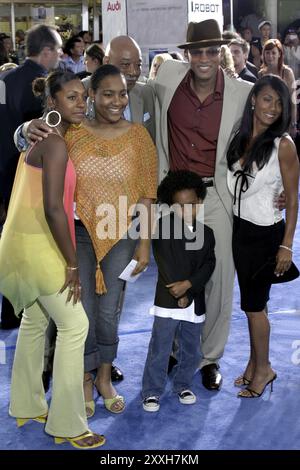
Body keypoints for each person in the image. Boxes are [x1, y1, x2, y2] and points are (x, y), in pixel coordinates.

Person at [0, 70, 104, 448]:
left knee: (34, 319)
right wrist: (73, 264)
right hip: (38, 246)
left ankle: (26, 404)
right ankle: (68, 425)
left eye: (83, 97)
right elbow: (54, 209)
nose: (82, 103)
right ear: (53, 102)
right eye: (72, 98)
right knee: (75, 325)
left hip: (21, 243)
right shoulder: (54, 142)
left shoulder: (44, 137)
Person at [152, 19, 253, 391]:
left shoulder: (242, 93)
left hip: (215, 197)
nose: (204, 58)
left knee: (219, 277)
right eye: (197, 51)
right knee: (172, 276)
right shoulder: (166, 77)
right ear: (187, 54)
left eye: (212, 50)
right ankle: (179, 350)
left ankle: (209, 358)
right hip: (172, 196)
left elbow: (268, 134)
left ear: (220, 53)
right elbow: (119, 90)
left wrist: (279, 184)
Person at [63, 64, 157, 416]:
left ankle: (104, 376)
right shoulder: (72, 133)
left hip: (122, 235)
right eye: (107, 94)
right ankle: (86, 377)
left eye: (122, 94)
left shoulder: (138, 137)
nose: (117, 101)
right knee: (83, 310)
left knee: (108, 311)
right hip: (79, 234)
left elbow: (148, 193)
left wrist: (144, 244)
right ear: (92, 95)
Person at [227, 75, 299, 397]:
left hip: (265, 235)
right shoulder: (240, 137)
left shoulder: (283, 145)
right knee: (254, 306)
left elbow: (293, 199)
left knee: (255, 308)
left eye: (279, 102)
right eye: (268, 99)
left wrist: (286, 245)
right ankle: (254, 365)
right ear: (254, 99)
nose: (273, 108)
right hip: (239, 231)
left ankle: (264, 370)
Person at [0, 24, 62, 330]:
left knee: (12, 245)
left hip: (4, 174)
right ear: (47, 51)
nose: (60, 57)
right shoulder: (41, 85)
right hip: (29, 178)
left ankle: (10, 312)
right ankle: (33, 312)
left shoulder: (5, 78)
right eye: (59, 50)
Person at [142, 170, 215, 412]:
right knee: (160, 348)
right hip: (168, 300)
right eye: (180, 206)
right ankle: (152, 391)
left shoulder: (207, 233)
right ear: (171, 207)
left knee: (191, 349)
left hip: (193, 301)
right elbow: (165, 263)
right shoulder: (163, 228)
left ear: (200, 202)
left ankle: (183, 384)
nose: (186, 210)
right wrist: (179, 289)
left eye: (191, 205)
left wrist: (190, 288)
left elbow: (208, 265)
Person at [259, 39, 297, 137]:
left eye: (273, 53)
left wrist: (293, 123)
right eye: (267, 53)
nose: (270, 56)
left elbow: (293, 100)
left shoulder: (287, 72)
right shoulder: (261, 74)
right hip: (267, 117)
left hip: (284, 117)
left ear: (279, 54)